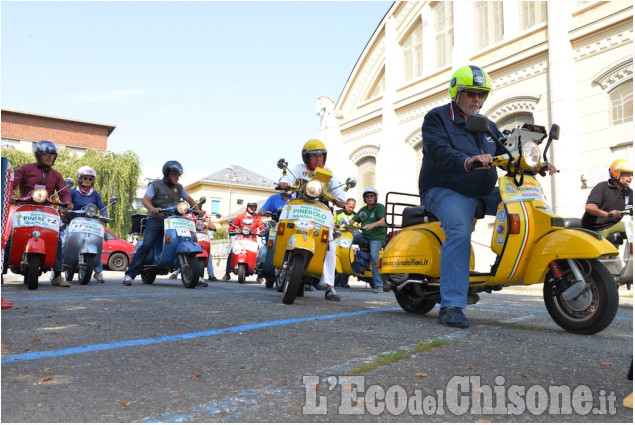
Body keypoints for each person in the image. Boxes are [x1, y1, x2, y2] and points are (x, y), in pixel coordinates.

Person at [419, 65, 556, 328]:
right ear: (456, 92)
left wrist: (536, 163)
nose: (477, 100)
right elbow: (438, 151)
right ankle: (452, 305)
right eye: (471, 94)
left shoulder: (487, 126)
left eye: (481, 94)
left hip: (482, 191)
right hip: (444, 189)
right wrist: (467, 161)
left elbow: (507, 153)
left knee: (528, 204)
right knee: (459, 229)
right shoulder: (437, 118)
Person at [278, 139, 348, 301]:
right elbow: (288, 178)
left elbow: (338, 191)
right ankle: (280, 265)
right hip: (299, 206)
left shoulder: (328, 172)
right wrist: (283, 183)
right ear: (306, 157)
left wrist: (342, 201)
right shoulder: (298, 169)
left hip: (320, 211)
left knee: (330, 243)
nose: (318, 158)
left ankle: (330, 287)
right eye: (314, 155)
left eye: (321, 155)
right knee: (283, 227)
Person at [2, 140, 73, 287]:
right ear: (39, 155)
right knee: (11, 237)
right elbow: (11, 184)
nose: (50, 158)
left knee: (57, 239)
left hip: (46, 211)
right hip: (25, 207)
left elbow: (63, 192)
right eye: (46, 154)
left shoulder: (56, 175)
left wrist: (67, 202)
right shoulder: (26, 169)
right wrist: (9, 196)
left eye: (53, 155)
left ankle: (57, 275)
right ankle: (1, 271)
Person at [122, 160, 203, 286]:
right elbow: (145, 200)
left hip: (173, 221)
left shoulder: (179, 187)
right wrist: (152, 209)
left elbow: (190, 200)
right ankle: (130, 275)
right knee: (147, 244)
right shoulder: (155, 185)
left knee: (186, 239)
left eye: (179, 175)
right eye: (175, 174)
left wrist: (199, 210)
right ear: (167, 174)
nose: (178, 177)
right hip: (156, 219)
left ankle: (195, 275)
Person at [65, 166, 108, 283]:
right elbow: (66, 202)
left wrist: (104, 215)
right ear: (79, 178)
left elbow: (102, 206)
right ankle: (57, 268)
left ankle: (98, 272)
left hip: (90, 222)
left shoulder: (95, 194)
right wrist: (66, 208)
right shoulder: (73, 191)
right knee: (64, 241)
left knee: (97, 244)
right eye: (85, 178)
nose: (88, 181)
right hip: (75, 221)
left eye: (90, 178)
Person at [581, 159, 633, 238]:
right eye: (627, 174)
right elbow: (589, 207)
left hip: (614, 224)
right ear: (617, 174)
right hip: (596, 228)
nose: (631, 177)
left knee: (632, 228)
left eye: (632, 174)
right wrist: (609, 215)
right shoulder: (602, 187)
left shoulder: (628, 192)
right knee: (604, 249)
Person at [350, 188, 385, 293]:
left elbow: (383, 220)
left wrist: (372, 225)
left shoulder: (379, 207)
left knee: (375, 257)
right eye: (367, 196)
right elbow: (352, 220)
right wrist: (342, 225)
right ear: (365, 198)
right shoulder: (363, 210)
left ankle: (379, 286)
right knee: (345, 239)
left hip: (377, 237)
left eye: (371, 196)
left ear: (375, 197)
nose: (369, 198)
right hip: (364, 236)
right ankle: (339, 278)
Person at [169, 215, 218, 285]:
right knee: (182, 251)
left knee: (208, 253)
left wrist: (211, 226)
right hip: (188, 234)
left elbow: (208, 221)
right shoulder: (186, 213)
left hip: (199, 233)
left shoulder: (202, 213)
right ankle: (175, 272)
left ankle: (211, 274)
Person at [222, 202, 264, 281]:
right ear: (247, 207)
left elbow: (262, 227)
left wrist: (263, 231)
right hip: (240, 238)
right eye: (250, 206)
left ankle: (260, 276)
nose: (252, 208)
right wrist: (231, 229)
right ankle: (227, 274)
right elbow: (233, 225)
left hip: (252, 238)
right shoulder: (240, 217)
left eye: (254, 206)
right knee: (232, 252)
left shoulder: (257, 218)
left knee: (259, 255)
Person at [334, 198, 356, 288]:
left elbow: (359, 227)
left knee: (349, 258)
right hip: (338, 237)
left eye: (353, 207)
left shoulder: (356, 215)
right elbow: (333, 224)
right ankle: (336, 281)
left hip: (350, 239)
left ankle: (344, 282)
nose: (351, 209)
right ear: (346, 204)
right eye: (350, 206)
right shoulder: (337, 213)